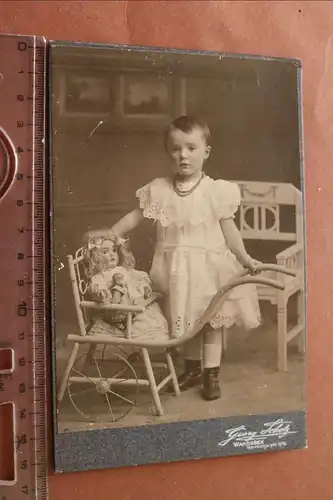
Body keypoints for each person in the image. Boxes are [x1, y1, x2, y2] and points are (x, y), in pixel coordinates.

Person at [85, 115, 261, 400]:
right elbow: (136, 215)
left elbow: (230, 230)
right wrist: (112, 233)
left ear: (206, 152)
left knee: (209, 322)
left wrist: (244, 258)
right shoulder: (160, 189)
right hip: (174, 269)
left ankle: (211, 373)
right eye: (176, 149)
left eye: (191, 148)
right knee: (185, 322)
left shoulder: (216, 191)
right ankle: (191, 369)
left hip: (207, 269)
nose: (183, 156)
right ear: (169, 152)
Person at [83, 234, 169, 338]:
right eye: (105, 252)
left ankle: (154, 334)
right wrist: (101, 294)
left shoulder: (122, 269)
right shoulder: (100, 276)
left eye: (114, 250)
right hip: (116, 309)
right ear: (96, 258)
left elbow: (138, 275)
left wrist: (144, 285)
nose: (112, 255)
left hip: (134, 304)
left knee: (151, 311)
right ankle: (128, 324)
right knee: (118, 284)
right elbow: (94, 288)